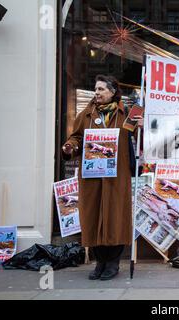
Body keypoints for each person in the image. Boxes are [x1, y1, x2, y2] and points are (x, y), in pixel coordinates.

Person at [62, 75, 135, 280]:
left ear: (112, 92)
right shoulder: (86, 114)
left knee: (115, 218)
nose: (97, 92)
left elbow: (139, 136)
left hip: (116, 176)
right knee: (93, 217)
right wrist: (70, 147)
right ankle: (99, 262)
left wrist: (141, 120)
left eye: (102, 89)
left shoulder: (125, 114)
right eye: (96, 89)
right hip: (92, 176)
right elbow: (76, 138)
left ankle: (113, 263)